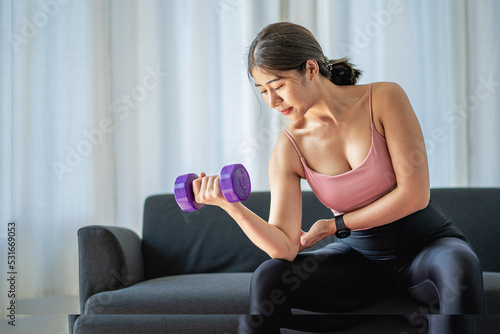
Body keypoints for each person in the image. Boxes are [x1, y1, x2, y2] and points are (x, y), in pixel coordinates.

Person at [192, 22, 486, 333]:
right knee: (269, 276)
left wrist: (336, 225)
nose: (272, 102)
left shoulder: (384, 98)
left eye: (278, 86)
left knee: (459, 267)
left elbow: (414, 195)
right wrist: (230, 206)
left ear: (310, 68)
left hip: (426, 247)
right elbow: (285, 246)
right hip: (360, 261)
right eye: (262, 90)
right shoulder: (288, 148)